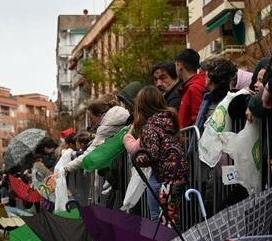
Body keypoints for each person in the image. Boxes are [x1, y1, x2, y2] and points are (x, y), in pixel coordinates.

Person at [131, 86, 187, 227]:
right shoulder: (169, 120)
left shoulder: (149, 127)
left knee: (160, 220)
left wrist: (137, 159)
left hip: (165, 177)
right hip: (178, 174)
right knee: (171, 217)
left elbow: (153, 154)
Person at [64, 96, 130, 173]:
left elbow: (89, 152)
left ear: (99, 115)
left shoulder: (105, 127)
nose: (91, 122)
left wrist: (67, 168)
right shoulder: (121, 111)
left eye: (91, 119)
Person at [174, 49, 207, 128]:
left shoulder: (194, 88)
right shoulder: (195, 85)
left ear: (179, 65)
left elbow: (198, 119)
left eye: (176, 65)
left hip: (192, 139)